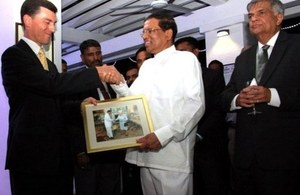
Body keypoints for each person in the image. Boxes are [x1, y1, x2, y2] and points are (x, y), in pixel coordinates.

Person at [0, 1, 123, 194]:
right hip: (31, 158)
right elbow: (51, 84)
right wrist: (96, 72)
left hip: (59, 159)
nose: (53, 28)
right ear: (27, 20)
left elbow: (55, 103)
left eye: (55, 23)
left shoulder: (49, 63)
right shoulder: (14, 56)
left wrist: (80, 106)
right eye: (47, 22)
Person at [112, 13, 205, 195]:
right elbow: (134, 101)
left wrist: (163, 135)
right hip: (145, 153)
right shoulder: (148, 66)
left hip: (172, 156)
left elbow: (195, 105)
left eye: (150, 31)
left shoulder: (186, 59)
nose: (145, 36)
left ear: (168, 33)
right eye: (143, 32)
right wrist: (119, 83)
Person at [220, 0, 300, 194]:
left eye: (260, 13)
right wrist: (237, 100)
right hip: (245, 157)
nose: (253, 19)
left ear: (279, 17)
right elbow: (225, 95)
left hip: (285, 155)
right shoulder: (243, 58)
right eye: (250, 16)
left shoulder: (296, 46)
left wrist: (271, 95)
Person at [63, 39, 122, 195]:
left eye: (98, 53)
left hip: (112, 150)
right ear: (83, 58)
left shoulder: (112, 77)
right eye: (90, 55)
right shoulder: (75, 81)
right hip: (89, 153)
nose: (96, 58)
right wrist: (80, 151)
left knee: (111, 189)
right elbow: (71, 118)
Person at [175, 36, 230, 195]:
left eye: (183, 52)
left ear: (196, 52)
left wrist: (199, 134)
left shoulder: (212, 76)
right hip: (183, 144)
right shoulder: (176, 80)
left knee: (213, 184)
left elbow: (218, 109)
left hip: (209, 143)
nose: (180, 56)